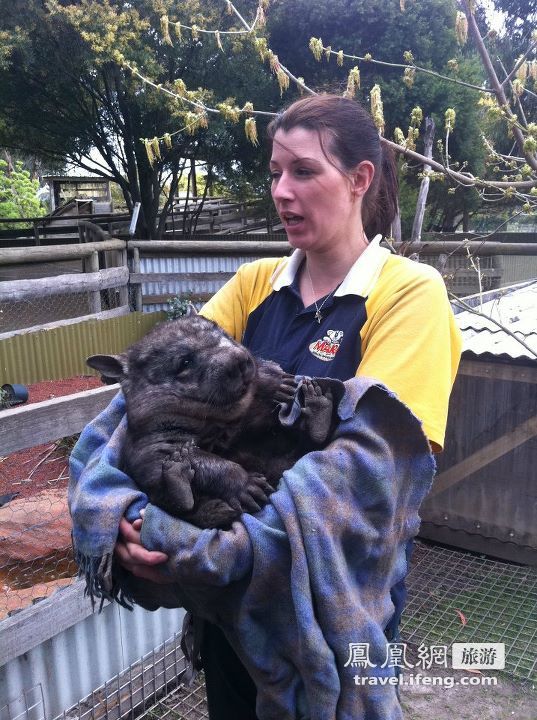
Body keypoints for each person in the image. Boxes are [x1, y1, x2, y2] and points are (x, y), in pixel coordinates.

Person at [99, 94, 462, 718]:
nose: (281, 192)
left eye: (303, 171)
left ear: (359, 179)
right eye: (274, 173)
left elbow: (363, 474)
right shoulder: (253, 286)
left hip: (335, 600)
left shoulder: (409, 294)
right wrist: (121, 517)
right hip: (231, 611)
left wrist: (195, 551)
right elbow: (145, 401)